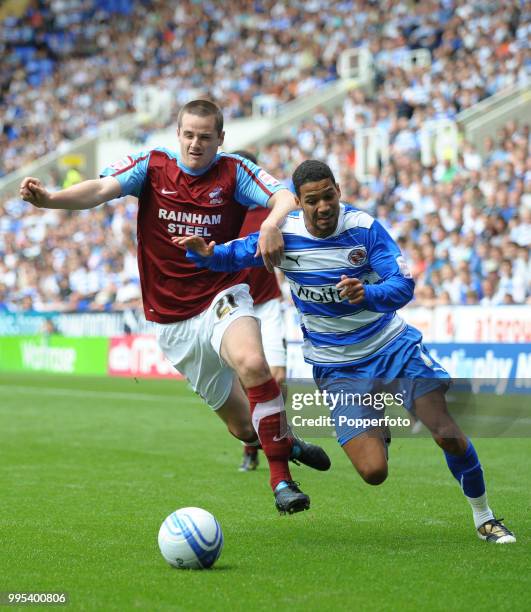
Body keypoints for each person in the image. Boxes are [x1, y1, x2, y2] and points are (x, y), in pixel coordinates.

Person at [19, 100, 330, 515]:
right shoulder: (151, 167)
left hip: (223, 297)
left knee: (253, 364)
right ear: (177, 133)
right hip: (172, 322)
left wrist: (271, 223)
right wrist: (51, 199)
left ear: (220, 139)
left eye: (205, 136)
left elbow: (283, 196)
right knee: (243, 427)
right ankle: (285, 441)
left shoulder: (234, 171)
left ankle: (281, 482)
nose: (195, 144)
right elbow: (98, 190)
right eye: (189, 135)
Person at [181, 159, 516, 543]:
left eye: (328, 196)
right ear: (298, 203)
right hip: (338, 367)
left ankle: (485, 517)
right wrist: (202, 254)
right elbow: (229, 256)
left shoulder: (364, 229)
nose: (323, 207)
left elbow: (403, 285)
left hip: (391, 348)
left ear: (338, 191)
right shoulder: (281, 235)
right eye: (312, 201)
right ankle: (378, 423)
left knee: (446, 433)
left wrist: (367, 294)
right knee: (374, 472)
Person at [232, 150, 287, 472]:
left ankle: (278, 439)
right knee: (248, 378)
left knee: (278, 376)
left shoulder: (272, 210)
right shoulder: (223, 214)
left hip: (267, 303)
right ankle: (251, 446)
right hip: (238, 306)